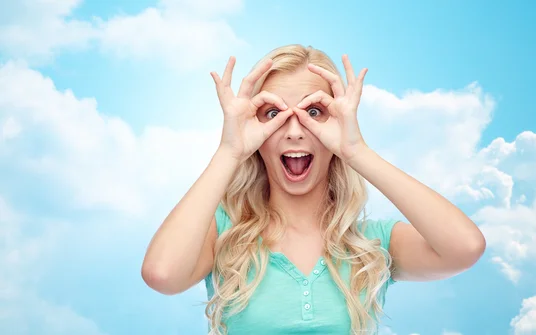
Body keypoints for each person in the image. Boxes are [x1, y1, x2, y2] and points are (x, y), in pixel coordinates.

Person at [141, 44, 487, 335]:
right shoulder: (223, 234)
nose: (293, 131)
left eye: (314, 111)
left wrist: (356, 151)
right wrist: (229, 151)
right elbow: (162, 274)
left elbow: (465, 248)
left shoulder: (371, 246)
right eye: (272, 112)